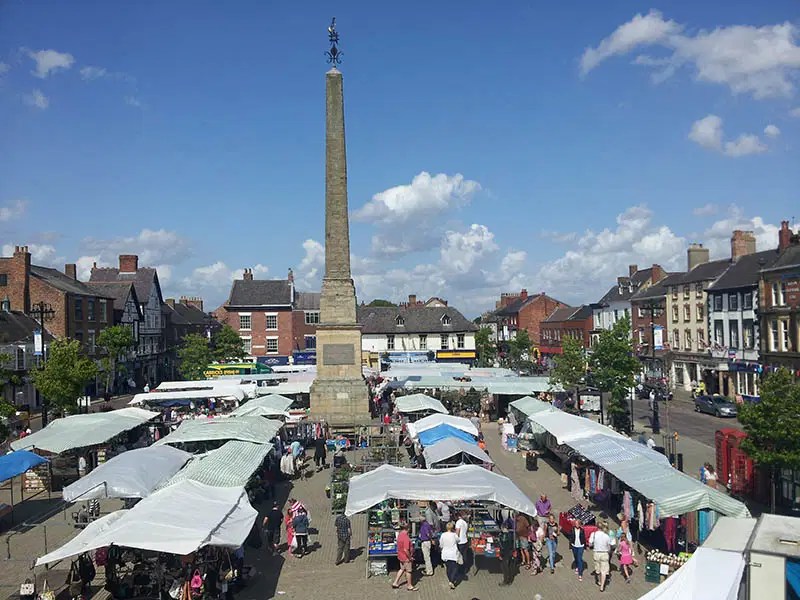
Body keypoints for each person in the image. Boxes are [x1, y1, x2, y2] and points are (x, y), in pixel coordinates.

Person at [391, 523, 418, 591]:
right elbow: (406, 549)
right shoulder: (406, 537)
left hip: (400, 555)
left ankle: (395, 582)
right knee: (409, 571)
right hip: (406, 557)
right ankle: (409, 585)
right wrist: (410, 557)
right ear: (408, 529)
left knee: (402, 569)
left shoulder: (400, 534)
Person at [589, 520, 612, 592]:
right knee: (604, 571)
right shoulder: (606, 536)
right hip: (604, 553)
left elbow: (590, 544)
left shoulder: (594, 534)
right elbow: (609, 546)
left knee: (598, 569)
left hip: (596, 553)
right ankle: (602, 586)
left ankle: (599, 581)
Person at [439, 522, 460, 589]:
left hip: (445, 554)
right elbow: (458, 541)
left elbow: (441, 544)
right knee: (455, 568)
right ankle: (451, 580)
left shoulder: (443, 535)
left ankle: (450, 579)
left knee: (448, 568)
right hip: (453, 554)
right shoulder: (454, 535)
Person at [498, 521, 516, 586]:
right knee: (510, 566)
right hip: (510, 552)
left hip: (505, 553)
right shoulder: (511, 534)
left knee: (504, 567)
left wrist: (500, 554)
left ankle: (506, 581)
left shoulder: (503, 536)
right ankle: (510, 580)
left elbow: (502, 546)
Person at [455, 512, 469, 578]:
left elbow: (457, 533)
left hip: (460, 542)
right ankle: (464, 569)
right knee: (464, 556)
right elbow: (466, 533)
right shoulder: (465, 523)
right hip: (465, 541)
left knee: (459, 557)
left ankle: (459, 570)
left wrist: (455, 540)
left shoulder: (458, 522)